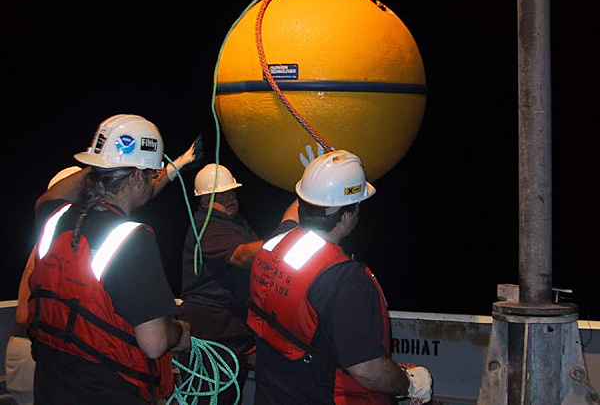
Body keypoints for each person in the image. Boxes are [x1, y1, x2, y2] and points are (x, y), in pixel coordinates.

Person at [27, 114, 201, 405]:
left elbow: (44, 200)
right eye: (150, 174)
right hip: (107, 392)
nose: (153, 180)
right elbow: (155, 342)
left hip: (50, 387)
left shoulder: (54, 218)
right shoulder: (132, 239)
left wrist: (103, 161)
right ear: (135, 177)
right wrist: (180, 334)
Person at [247, 149, 433, 404]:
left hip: (270, 394)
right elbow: (367, 370)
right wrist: (409, 384)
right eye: (356, 207)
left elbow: (292, 216)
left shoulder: (276, 242)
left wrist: (317, 180)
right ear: (346, 216)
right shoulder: (346, 281)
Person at [178, 163, 264, 404]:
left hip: (231, 332)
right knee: (209, 397)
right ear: (205, 201)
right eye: (221, 195)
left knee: (227, 395)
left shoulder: (235, 224)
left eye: (232, 192)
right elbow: (243, 256)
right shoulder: (208, 227)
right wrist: (287, 241)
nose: (230, 198)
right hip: (214, 334)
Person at [4, 167, 81, 405]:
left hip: (31, 353)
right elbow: (24, 316)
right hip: (33, 354)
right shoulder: (52, 248)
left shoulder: (48, 245)